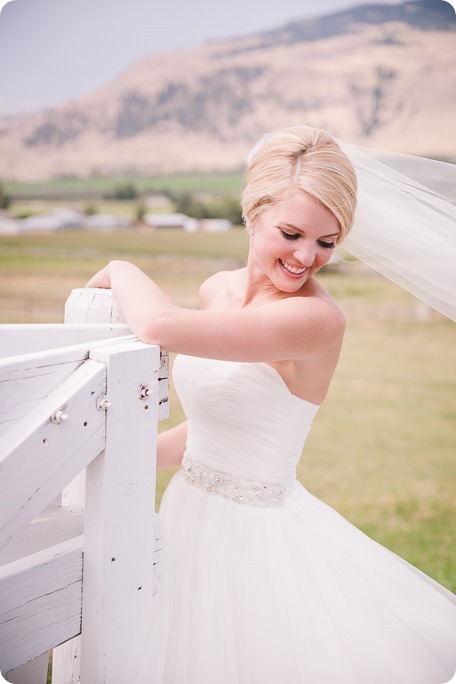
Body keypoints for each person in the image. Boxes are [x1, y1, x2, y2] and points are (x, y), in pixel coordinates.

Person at [86, 125, 456, 684]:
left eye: (328, 242)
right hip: (191, 515)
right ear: (252, 211)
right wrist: (113, 455)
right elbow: (216, 425)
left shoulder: (315, 319)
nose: (307, 257)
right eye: (292, 232)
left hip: (254, 538)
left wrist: (120, 268)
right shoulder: (217, 290)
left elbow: (158, 326)